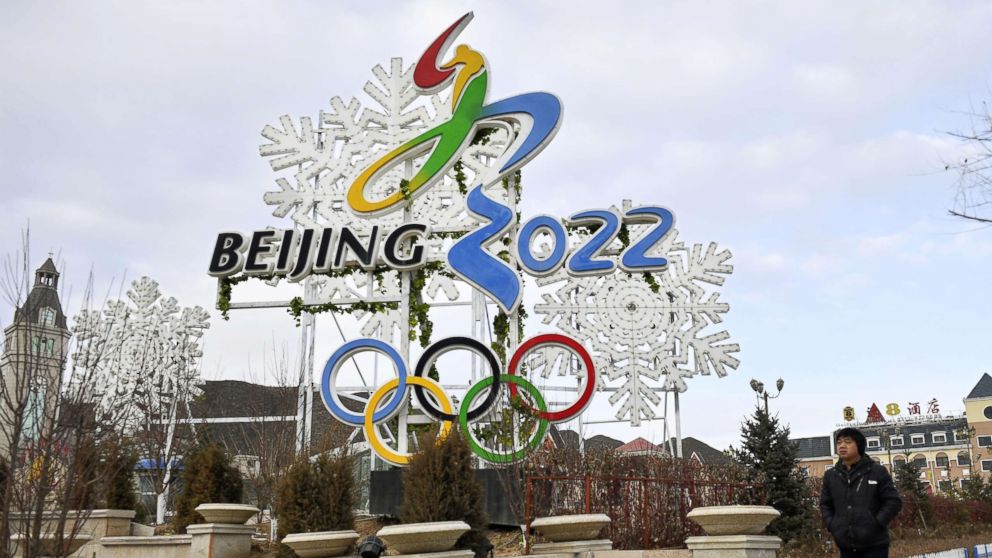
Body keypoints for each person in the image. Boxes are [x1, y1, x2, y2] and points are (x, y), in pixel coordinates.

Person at [820, 427, 903, 557]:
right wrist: (833, 524)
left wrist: (877, 523)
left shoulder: (877, 471)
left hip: (875, 546)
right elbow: (825, 504)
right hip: (845, 545)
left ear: (859, 445)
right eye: (839, 442)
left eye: (848, 442)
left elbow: (893, 501)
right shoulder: (831, 475)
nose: (842, 446)